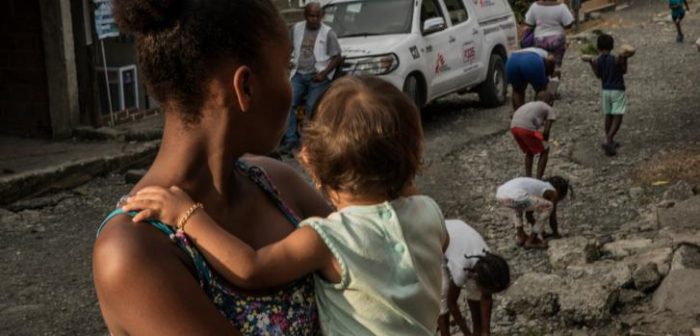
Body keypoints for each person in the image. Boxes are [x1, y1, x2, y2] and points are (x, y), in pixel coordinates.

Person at [122, 76, 449, 335]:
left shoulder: (328, 239)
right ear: (413, 157)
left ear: (314, 169)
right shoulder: (429, 214)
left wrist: (187, 215)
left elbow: (251, 268)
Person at [92, 0, 334, 334]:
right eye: (286, 67)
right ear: (245, 87)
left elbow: (370, 249)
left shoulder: (276, 182)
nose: (291, 86)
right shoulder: (132, 251)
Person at [280, 2, 343, 154]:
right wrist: (287, 60)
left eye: (316, 16)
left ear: (321, 16)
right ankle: (291, 141)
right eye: (310, 16)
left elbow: (337, 57)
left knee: (311, 107)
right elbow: (289, 47)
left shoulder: (328, 33)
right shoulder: (296, 29)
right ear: (305, 16)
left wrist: (324, 73)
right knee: (289, 103)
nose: (314, 19)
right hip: (299, 73)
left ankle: (306, 143)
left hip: (318, 76)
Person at [437, 220, 511, 336]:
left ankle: (478, 330)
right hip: (437, 239)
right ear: (476, 276)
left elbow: (486, 297)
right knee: (443, 294)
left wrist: (485, 332)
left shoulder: (489, 262)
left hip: (459, 234)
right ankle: (444, 333)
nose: (487, 295)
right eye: (488, 291)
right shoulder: (461, 269)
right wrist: (466, 333)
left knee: (475, 291)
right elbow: (452, 303)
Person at [583, 33, 630, 156]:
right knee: (618, 115)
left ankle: (610, 140)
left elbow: (598, 75)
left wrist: (590, 63)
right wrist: (625, 58)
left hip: (605, 91)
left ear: (598, 47)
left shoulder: (598, 60)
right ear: (612, 46)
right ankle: (609, 139)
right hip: (617, 90)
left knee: (608, 115)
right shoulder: (615, 59)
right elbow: (624, 70)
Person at [496, 176, 570, 249]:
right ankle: (531, 240)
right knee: (549, 206)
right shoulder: (553, 192)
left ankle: (520, 235)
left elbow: (529, 215)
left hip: (501, 194)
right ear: (560, 191)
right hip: (516, 195)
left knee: (518, 204)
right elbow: (552, 217)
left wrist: (541, 231)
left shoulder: (538, 186)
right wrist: (555, 233)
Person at [510, 92, 556, 179]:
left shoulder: (530, 105)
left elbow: (513, 116)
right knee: (545, 150)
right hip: (526, 128)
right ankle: (538, 178)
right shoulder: (548, 108)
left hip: (514, 127)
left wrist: (538, 136)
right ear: (550, 101)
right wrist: (545, 139)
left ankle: (528, 176)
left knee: (529, 150)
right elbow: (546, 131)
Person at [524, 0, 574, 73]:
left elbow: (529, 23)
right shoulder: (561, 7)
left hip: (540, 40)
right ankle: (556, 74)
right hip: (557, 39)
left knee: (542, 63)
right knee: (557, 63)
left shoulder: (535, 6)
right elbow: (569, 24)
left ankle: (544, 78)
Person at [505, 47, 557, 111]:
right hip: (531, 61)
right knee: (541, 91)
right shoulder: (546, 53)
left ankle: (519, 116)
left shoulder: (533, 49)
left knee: (517, 91)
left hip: (512, 61)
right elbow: (551, 59)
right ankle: (539, 115)